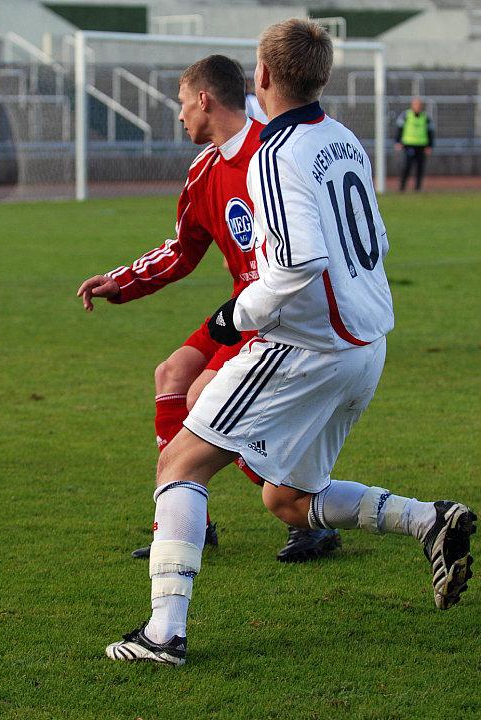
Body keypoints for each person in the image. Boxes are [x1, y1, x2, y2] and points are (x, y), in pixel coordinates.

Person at [105, 19, 476, 666]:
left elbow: (296, 263)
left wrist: (232, 318)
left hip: (306, 344)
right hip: (366, 345)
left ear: (264, 77)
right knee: (287, 500)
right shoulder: (342, 138)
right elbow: (377, 241)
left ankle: (164, 634)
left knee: (181, 464)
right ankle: (428, 520)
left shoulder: (275, 155)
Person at [77, 55, 340, 564]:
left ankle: (308, 514)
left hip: (278, 313)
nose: (179, 117)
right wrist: (121, 281)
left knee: (203, 396)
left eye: (181, 104)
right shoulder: (203, 171)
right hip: (239, 308)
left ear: (204, 100)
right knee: (172, 373)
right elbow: (181, 250)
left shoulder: (275, 153)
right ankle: (184, 519)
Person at [395, 97, 434, 192]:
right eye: (416, 105)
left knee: (420, 167)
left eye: (419, 105)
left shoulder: (426, 117)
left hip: (421, 145)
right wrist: (398, 141)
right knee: (407, 165)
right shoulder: (406, 115)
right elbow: (399, 129)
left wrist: (430, 145)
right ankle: (402, 186)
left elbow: (430, 132)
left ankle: (418, 187)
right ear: (412, 105)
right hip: (409, 144)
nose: (417, 107)